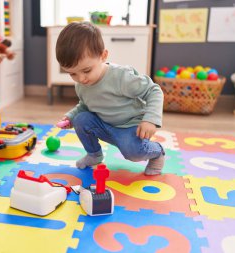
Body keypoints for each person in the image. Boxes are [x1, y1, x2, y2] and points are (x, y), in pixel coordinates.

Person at [56, 22, 165, 176]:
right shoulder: (81, 84)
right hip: (105, 125)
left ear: (103, 56)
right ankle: (94, 155)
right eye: (72, 74)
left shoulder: (121, 76)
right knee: (81, 119)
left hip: (130, 127)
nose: (81, 78)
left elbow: (154, 90)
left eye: (86, 70)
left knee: (133, 153)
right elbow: (85, 105)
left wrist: (151, 119)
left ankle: (157, 152)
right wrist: (71, 117)